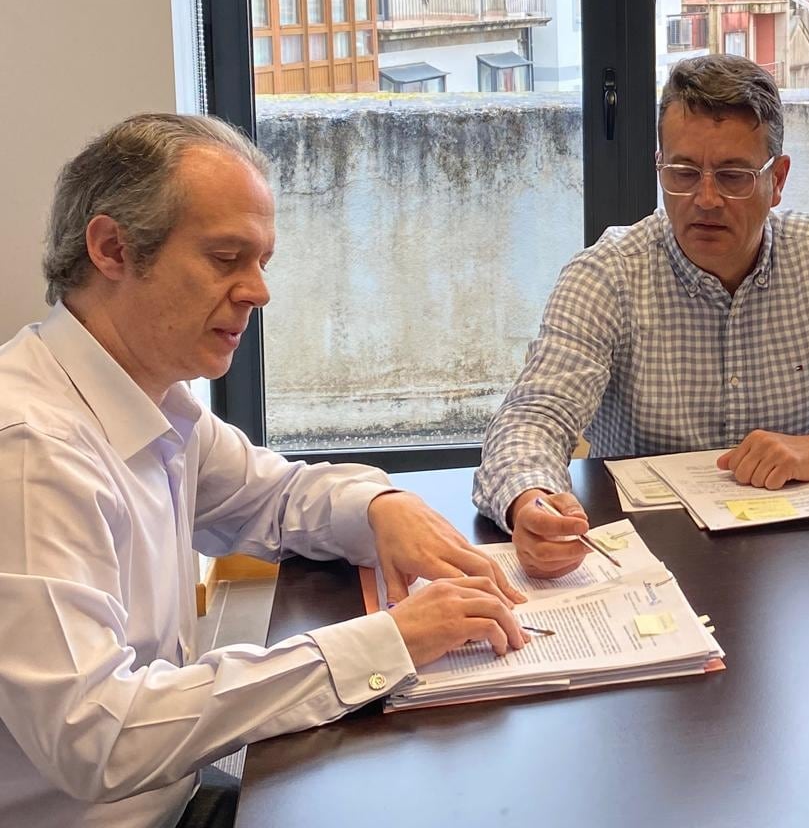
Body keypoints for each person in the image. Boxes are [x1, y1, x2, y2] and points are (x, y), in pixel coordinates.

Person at [0, 114, 529, 828]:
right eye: (226, 258)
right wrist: (389, 641)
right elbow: (97, 736)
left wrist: (379, 507)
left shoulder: (147, 395)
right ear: (112, 248)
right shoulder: (32, 450)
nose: (258, 292)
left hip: (178, 799)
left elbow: (277, 497)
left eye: (261, 263)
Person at [474, 54, 809, 578]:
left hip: (787, 557)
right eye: (683, 173)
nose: (705, 199)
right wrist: (528, 500)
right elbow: (531, 419)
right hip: (649, 558)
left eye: (734, 176)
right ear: (659, 168)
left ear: (777, 180)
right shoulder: (607, 274)